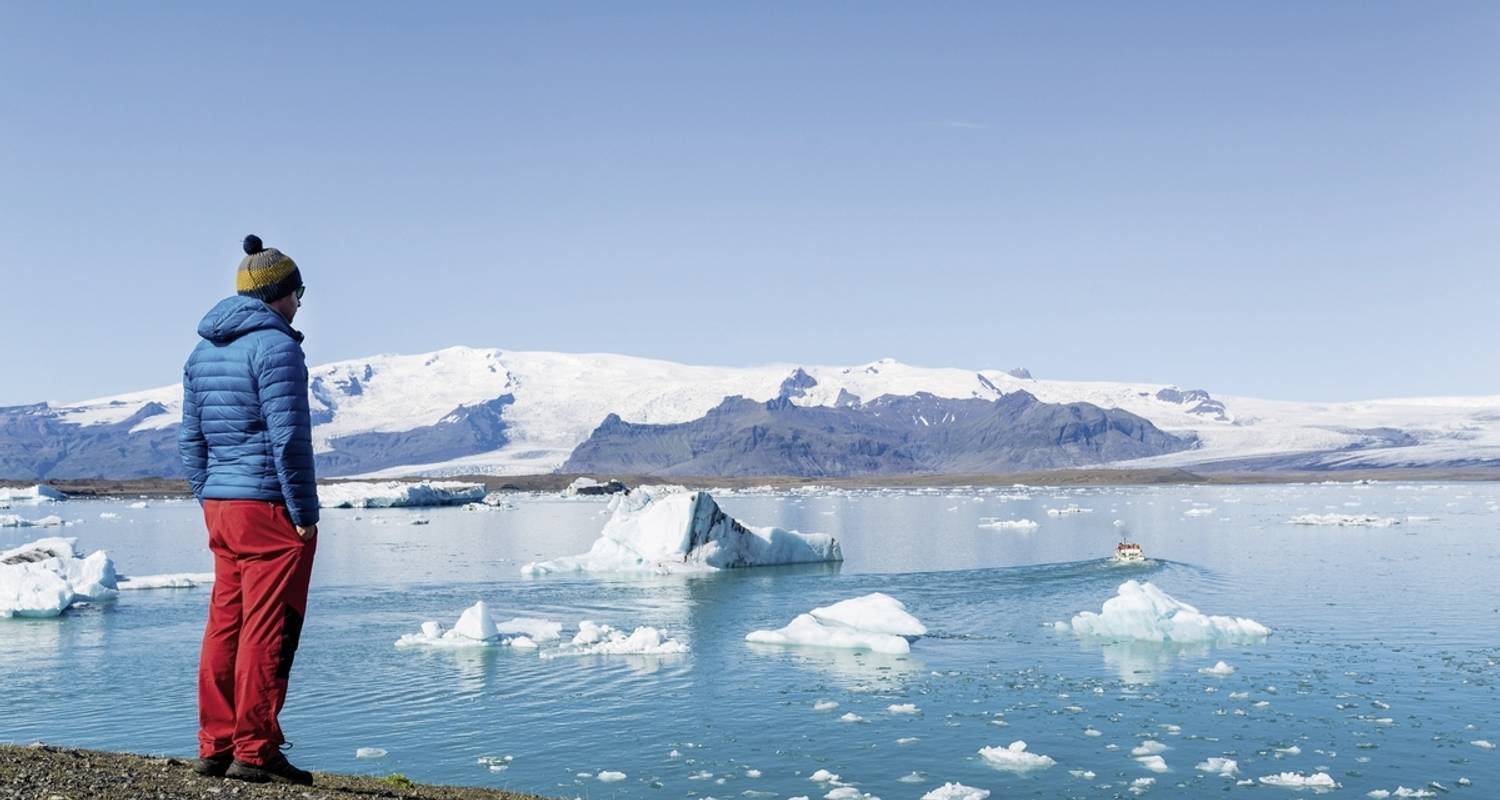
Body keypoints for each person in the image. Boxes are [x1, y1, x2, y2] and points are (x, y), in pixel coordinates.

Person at [178, 234, 319, 785]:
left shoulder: (202, 350)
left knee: (225, 622)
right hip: (267, 505)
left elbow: (191, 439)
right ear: (280, 294)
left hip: (222, 504)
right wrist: (303, 510)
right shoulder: (277, 347)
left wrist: (209, 493)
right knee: (269, 626)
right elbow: (289, 440)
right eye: (299, 291)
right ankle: (255, 750)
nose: (301, 302)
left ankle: (215, 744)